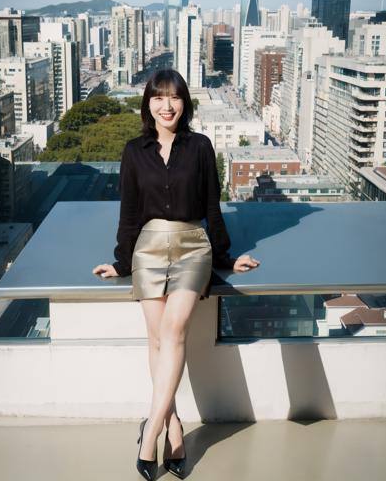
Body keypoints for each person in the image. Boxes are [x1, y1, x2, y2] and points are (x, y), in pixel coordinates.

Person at [92, 69, 260, 480]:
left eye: (175, 98)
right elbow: (129, 212)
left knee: (174, 330)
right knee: (156, 338)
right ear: (147, 103)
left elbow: (212, 206)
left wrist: (224, 256)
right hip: (148, 247)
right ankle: (174, 424)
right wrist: (120, 261)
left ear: (185, 103)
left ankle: (149, 433)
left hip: (192, 247)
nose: (166, 106)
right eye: (158, 98)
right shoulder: (134, 151)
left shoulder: (201, 147)